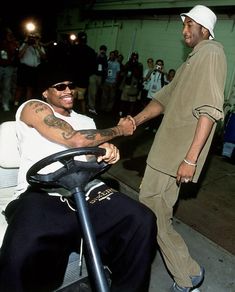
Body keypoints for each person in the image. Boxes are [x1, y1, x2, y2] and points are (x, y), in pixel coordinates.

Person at [0, 62, 157, 292]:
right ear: (46, 92)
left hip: (85, 191)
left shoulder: (86, 121)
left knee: (141, 219)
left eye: (71, 86)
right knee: (20, 251)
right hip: (42, 194)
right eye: (60, 86)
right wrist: (120, 130)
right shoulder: (33, 107)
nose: (68, 90)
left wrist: (107, 152)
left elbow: (91, 152)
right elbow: (76, 140)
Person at [132, 5, 227, 292]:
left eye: (190, 25)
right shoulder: (191, 61)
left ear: (205, 29)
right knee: (157, 216)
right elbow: (162, 99)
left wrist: (190, 159)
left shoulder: (211, 53)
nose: (184, 30)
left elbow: (209, 111)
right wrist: (134, 122)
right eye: (184, 25)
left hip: (174, 158)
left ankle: (186, 280)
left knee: (153, 217)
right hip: (163, 155)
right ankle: (190, 273)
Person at [14, 32, 47, 106]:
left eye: (36, 38)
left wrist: (37, 47)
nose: (34, 39)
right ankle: (15, 103)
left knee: (30, 87)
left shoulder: (39, 46)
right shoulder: (25, 45)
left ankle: (27, 104)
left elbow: (44, 57)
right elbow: (19, 55)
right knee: (20, 86)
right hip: (24, 68)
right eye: (33, 38)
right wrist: (26, 44)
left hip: (34, 69)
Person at [0, 27, 19, 111]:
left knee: (6, 86)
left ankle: (5, 104)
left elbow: (15, 51)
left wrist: (11, 41)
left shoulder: (12, 41)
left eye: (9, 33)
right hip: (0, 65)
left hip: (9, 67)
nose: (8, 34)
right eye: (7, 33)